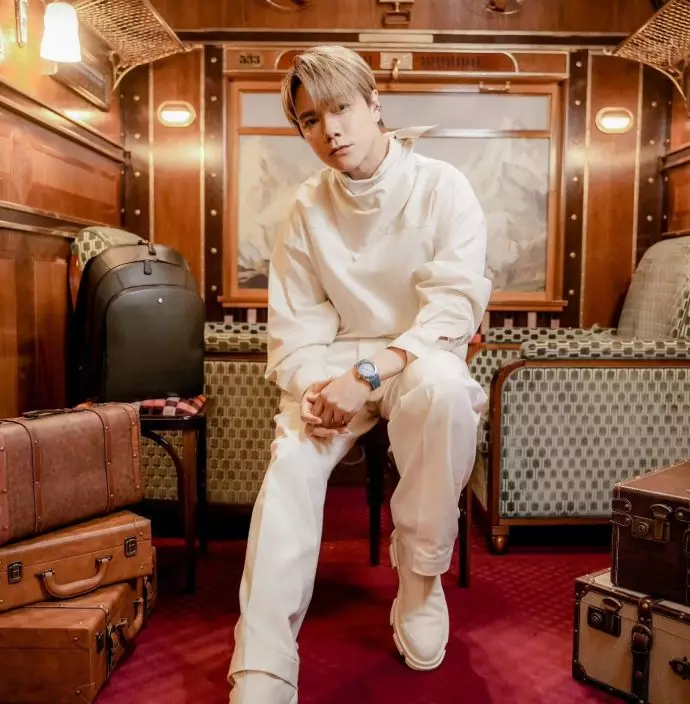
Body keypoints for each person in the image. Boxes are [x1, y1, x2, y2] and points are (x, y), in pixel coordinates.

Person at [228, 45, 492, 704]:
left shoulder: (442, 187)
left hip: (417, 357)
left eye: (341, 108)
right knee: (292, 458)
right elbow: (295, 331)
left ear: (375, 105)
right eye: (310, 120)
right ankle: (263, 656)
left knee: (446, 392)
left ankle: (420, 583)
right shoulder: (304, 207)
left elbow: (451, 312)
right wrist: (317, 393)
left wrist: (369, 375)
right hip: (334, 364)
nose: (330, 131)